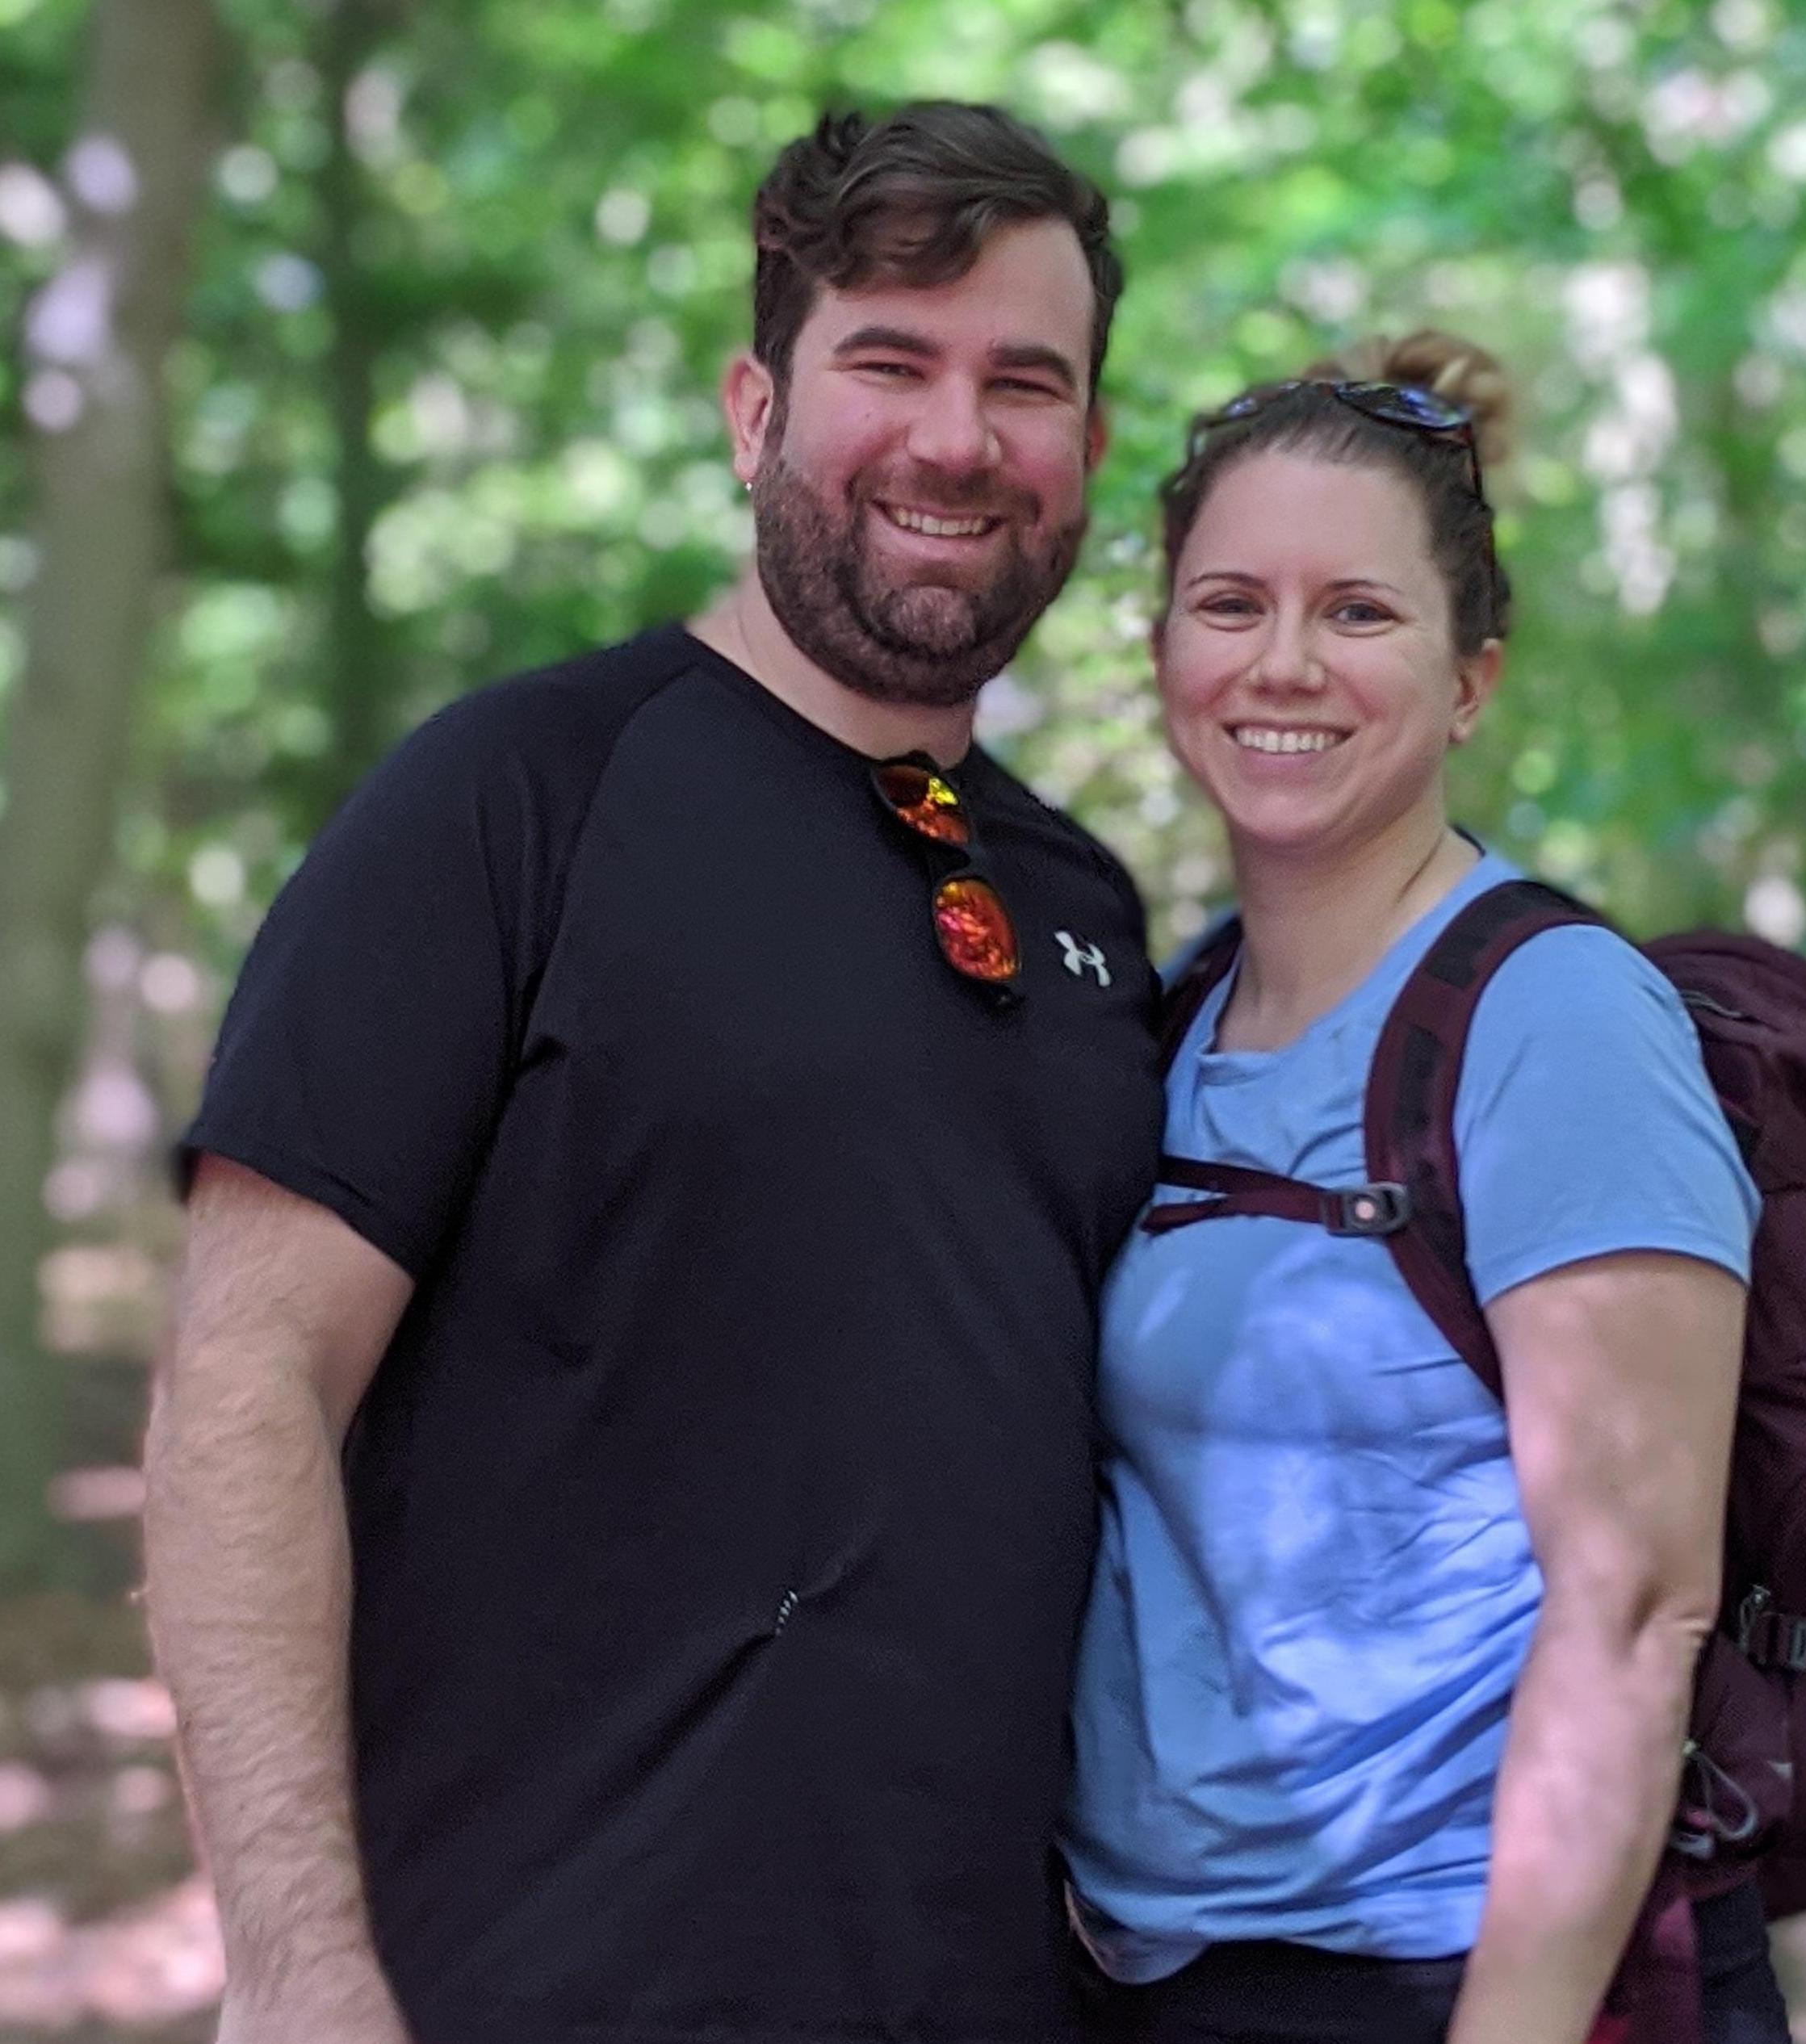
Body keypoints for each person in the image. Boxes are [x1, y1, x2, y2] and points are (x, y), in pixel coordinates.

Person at [145, 103, 1163, 2044]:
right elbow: (243, 1381)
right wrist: (293, 1968)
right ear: (755, 409)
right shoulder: (513, 802)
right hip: (541, 1984)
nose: (959, 437)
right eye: (889, 361)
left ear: (1087, 452)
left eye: (1022, 383)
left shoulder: (1080, 900)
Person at [1059, 336, 1795, 2043]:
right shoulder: (1171, 1016)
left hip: (1474, 1976)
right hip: (1167, 1977)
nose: (1284, 663)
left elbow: (1633, 1605)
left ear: (1470, 679)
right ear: (1163, 648)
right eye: (1230, 603)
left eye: (1360, 613)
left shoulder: (1555, 1017)